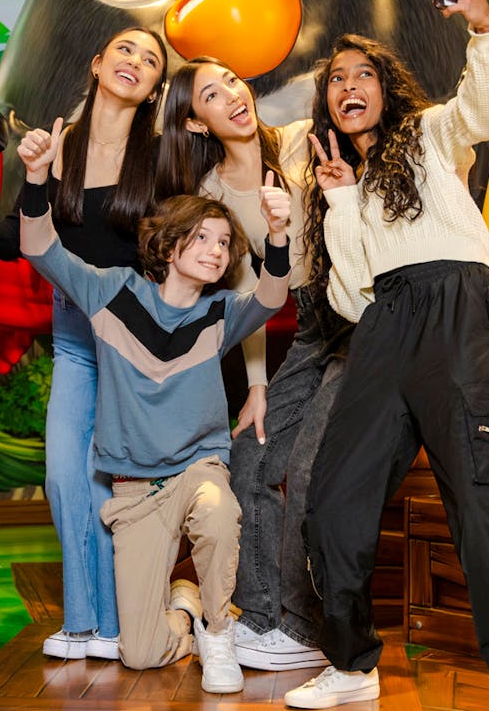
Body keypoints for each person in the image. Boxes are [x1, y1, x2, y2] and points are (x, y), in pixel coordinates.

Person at [284, 0, 489, 711]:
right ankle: (351, 667)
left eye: (361, 74)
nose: (348, 86)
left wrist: (483, 22)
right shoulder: (340, 186)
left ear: (383, 86)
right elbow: (349, 299)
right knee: (332, 500)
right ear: (328, 105)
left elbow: (480, 107)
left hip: (456, 309)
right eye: (335, 80)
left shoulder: (431, 136)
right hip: (384, 323)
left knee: (478, 502)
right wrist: (340, 204)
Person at [16, 105, 293, 689]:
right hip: (136, 491)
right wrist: (38, 178)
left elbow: (271, 295)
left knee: (220, 510)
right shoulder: (111, 293)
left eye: (224, 243)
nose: (217, 251)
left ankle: (218, 633)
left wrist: (277, 236)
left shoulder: (220, 313)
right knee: (139, 653)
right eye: (202, 237)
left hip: (198, 470)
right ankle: (185, 608)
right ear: (168, 245)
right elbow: (41, 247)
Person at [0, 27, 166, 661]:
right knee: (66, 476)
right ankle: (85, 622)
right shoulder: (60, 145)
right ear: (97, 63)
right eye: (124, 50)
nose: (135, 62)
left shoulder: (163, 151)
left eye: (150, 60)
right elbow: (24, 233)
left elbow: (178, 236)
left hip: (132, 330)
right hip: (72, 330)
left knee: (121, 482)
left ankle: (123, 620)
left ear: (155, 89)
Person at [158, 57, 348, 672]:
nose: (233, 96)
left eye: (233, 82)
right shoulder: (210, 196)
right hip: (303, 332)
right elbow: (248, 300)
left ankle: (301, 624)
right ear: (197, 120)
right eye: (213, 94)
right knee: (252, 456)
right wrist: (259, 387)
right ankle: (261, 620)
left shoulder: (298, 145)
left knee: (309, 467)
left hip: (355, 312)